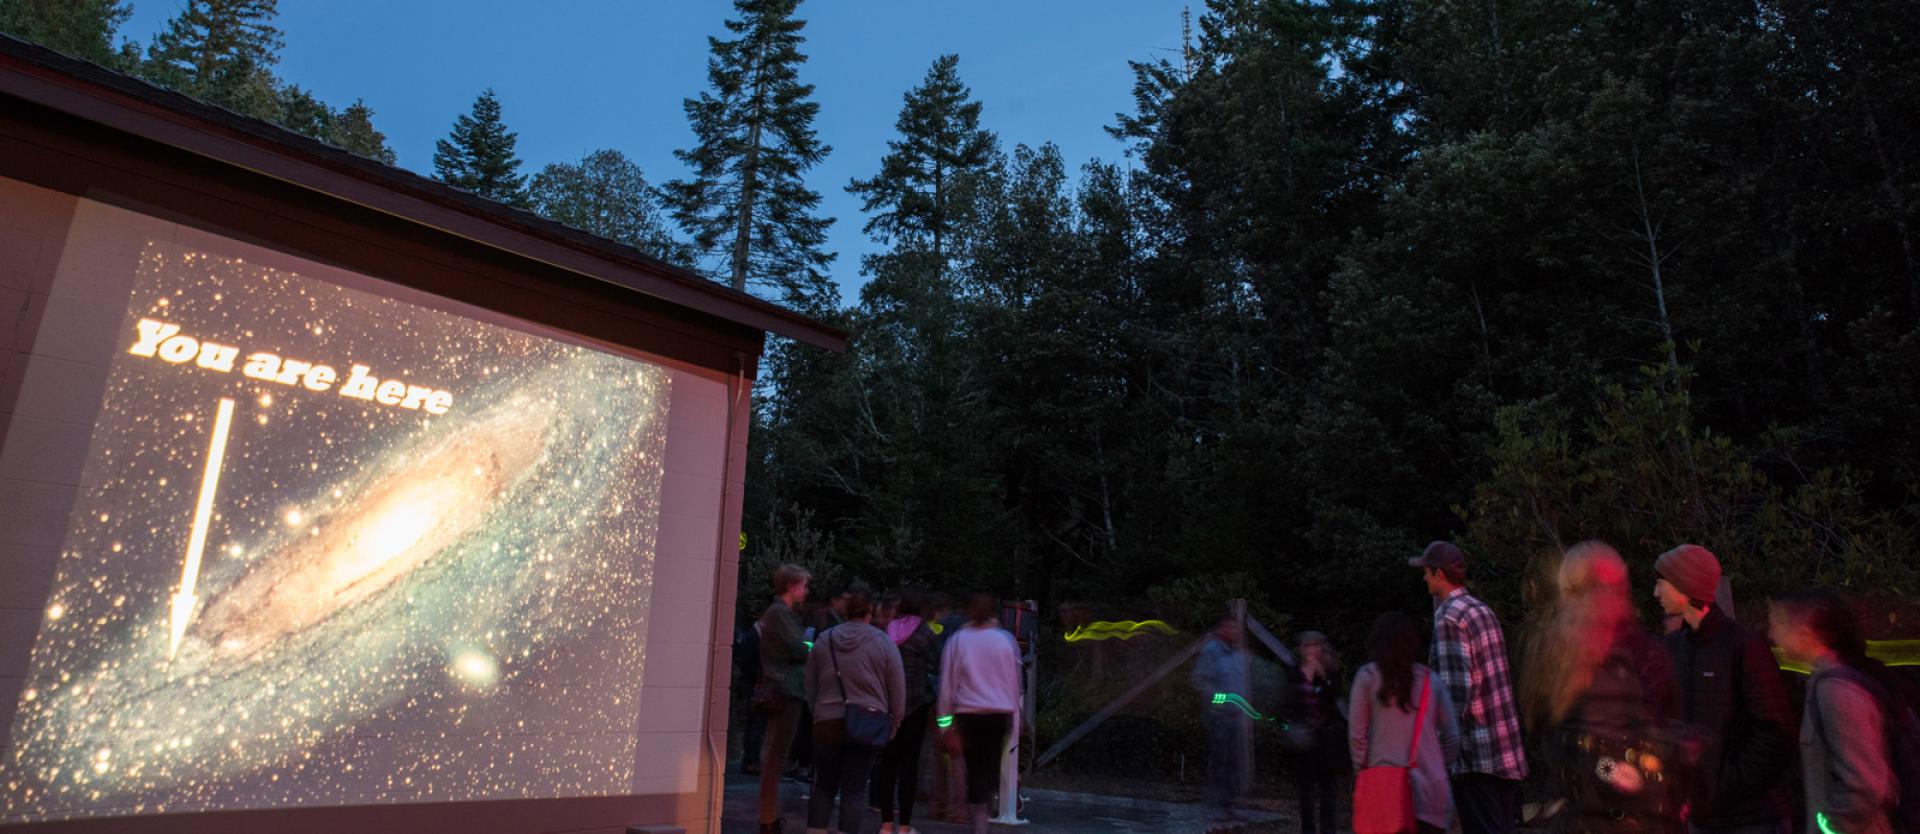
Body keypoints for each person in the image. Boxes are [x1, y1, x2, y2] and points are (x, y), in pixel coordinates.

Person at [1524, 541, 1684, 834]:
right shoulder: (1636, 651)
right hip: (1617, 815)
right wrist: (1614, 770)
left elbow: (1548, 733)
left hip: (1611, 814)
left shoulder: (1551, 651)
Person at [1653, 544, 1795, 834]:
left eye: (1661, 582)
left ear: (1685, 584)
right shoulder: (1673, 648)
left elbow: (1776, 731)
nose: (1656, 593)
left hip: (1751, 820)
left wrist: (1723, 786)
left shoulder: (1742, 646)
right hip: (1699, 819)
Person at [1410, 540, 1528, 834]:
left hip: (1476, 753)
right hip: (1504, 747)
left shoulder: (1449, 618)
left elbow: (1455, 695)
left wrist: (1437, 749)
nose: (1424, 578)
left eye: (1426, 572)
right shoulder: (1480, 609)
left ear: (1439, 573)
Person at [1768, 591, 1902, 834]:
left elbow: (1864, 784)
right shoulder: (1824, 684)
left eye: (1777, 622)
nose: (1770, 634)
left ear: (1805, 633)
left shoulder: (1835, 692)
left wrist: (1829, 826)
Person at [803, 588, 905, 834]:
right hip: (868, 722)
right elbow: (897, 687)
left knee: (824, 785)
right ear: (871, 611)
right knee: (854, 788)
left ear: (846, 611)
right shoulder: (883, 643)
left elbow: (809, 684)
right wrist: (895, 723)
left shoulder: (825, 640)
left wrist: (818, 711)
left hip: (827, 720)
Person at [1351, 611, 1460, 834]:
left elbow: (1356, 736)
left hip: (1384, 791)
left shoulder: (1367, 678)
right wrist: (1438, 764)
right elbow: (1452, 737)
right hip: (1431, 792)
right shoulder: (1432, 681)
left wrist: (1364, 770)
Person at [936, 593, 1022, 834]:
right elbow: (1014, 683)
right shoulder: (1005, 640)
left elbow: (947, 685)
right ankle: (985, 810)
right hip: (999, 714)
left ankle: (979, 822)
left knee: (974, 771)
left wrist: (945, 724)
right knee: (990, 767)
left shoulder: (958, 641)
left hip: (970, 714)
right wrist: (1016, 718)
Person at [874, 592, 938, 834]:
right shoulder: (924, 632)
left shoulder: (887, 630)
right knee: (910, 765)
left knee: (888, 763)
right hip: (916, 704)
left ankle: (885, 822)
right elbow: (936, 660)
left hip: (888, 704)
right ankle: (904, 825)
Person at [757, 564, 812, 834]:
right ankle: (767, 819)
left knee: (777, 755)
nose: (806, 591)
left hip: (784, 687)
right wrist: (811, 644)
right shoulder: (780, 613)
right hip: (785, 690)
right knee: (777, 756)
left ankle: (769, 817)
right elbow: (799, 647)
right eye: (803, 585)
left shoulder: (781, 613)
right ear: (791, 586)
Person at [1192, 616, 1252, 819]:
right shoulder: (1211, 651)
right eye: (1231, 628)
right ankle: (1217, 806)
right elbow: (1200, 681)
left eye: (1237, 629)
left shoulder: (1237, 654)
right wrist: (1222, 702)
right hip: (1220, 716)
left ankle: (1230, 805)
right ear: (1221, 629)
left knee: (1233, 760)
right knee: (1221, 761)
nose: (1235, 632)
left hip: (1235, 716)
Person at [1290, 631, 1349, 834]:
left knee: (1327, 789)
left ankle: (1328, 829)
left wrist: (1322, 678)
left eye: (1315, 645)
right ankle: (1307, 829)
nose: (1311, 650)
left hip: (1326, 740)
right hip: (1304, 739)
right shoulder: (1294, 672)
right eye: (1307, 646)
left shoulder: (1332, 672)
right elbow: (1290, 702)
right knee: (1305, 790)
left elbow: (1335, 699)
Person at [737, 618, 767, 775]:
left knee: (755, 724)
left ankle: (752, 759)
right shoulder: (753, 638)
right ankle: (751, 760)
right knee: (756, 724)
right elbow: (747, 663)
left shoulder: (751, 636)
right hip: (754, 685)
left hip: (753, 684)